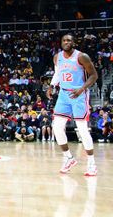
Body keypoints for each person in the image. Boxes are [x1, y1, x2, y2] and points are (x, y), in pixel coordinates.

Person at [48, 34, 99, 176]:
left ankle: (91, 163)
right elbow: (58, 73)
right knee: (57, 127)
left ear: (73, 42)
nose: (66, 42)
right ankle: (69, 158)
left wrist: (82, 88)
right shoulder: (57, 57)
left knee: (82, 130)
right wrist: (52, 86)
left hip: (79, 95)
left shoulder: (82, 57)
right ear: (61, 43)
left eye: (69, 40)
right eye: (64, 40)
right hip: (64, 94)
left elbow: (94, 75)